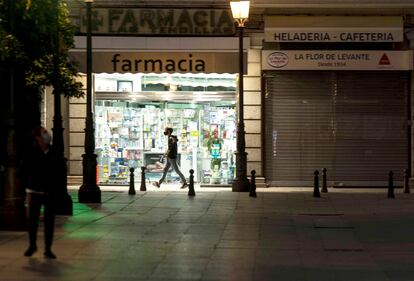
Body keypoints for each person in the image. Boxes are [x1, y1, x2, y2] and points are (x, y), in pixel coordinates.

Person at [21, 126, 58, 259]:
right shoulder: (32, 152)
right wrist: (28, 185)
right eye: (43, 134)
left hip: (49, 193)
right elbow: (24, 170)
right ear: (37, 139)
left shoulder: (53, 152)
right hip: (35, 191)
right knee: (32, 221)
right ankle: (32, 246)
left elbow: (58, 172)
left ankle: (48, 249)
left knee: (49, 222)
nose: (46, 135)